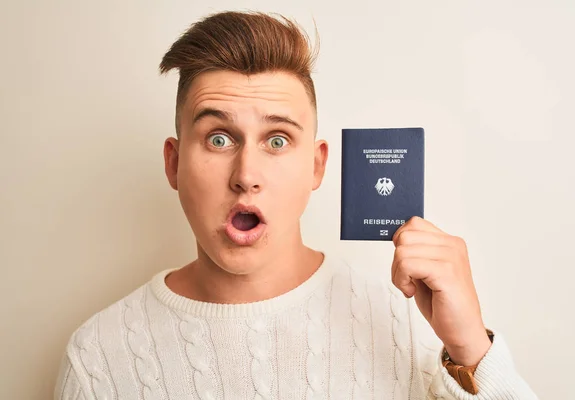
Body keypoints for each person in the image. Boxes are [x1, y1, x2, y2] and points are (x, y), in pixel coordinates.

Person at [54, 11, 537, 399]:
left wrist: (471, 348)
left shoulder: (411, 324)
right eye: (219, 138)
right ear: (174, 163)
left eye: (278, 140)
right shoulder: (99, 357)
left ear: (316, 167)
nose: (246, 175)